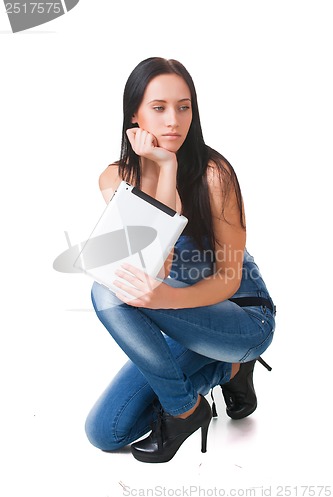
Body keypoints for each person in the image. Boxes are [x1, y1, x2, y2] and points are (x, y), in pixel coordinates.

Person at [85, 57, 276, 463]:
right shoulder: (114, 178)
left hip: (241, 318)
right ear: (133, 115)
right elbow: (156, 267)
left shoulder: (213, 174)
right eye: (159, 108)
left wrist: (161, 301)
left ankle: (184, 410)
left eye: (184, 106)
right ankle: (226, 372)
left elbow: (227, 279)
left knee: (107, 295)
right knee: (105, 431)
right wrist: (164, 168)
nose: (174, 120)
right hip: (182, 319)